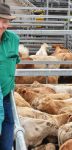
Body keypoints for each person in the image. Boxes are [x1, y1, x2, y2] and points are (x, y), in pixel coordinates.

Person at [0, 3, 20, 150]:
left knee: (8, 124)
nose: (2, 25)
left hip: (6, 95)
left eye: (5, 21)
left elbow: (15, 60)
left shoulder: (13, 39)